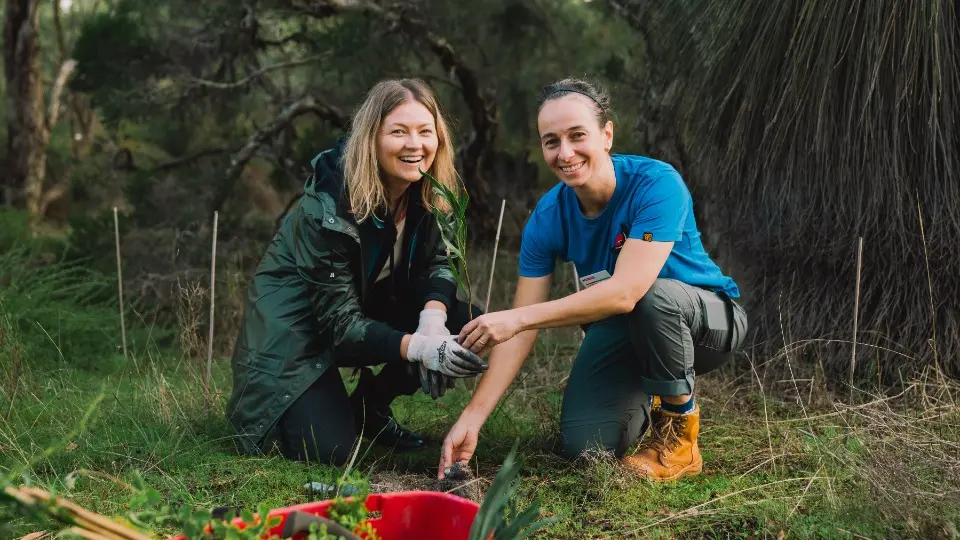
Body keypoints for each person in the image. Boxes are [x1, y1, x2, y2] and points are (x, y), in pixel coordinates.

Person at [438, 78, 747, 482]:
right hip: (627, 331)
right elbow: (520, 331)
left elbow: (625, 293)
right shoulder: (548, 218)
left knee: (653, 298)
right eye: (551, 141)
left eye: (577, 136)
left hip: (707, 322)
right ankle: (649, 396)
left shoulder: (656, 183)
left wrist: (517, 317)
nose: (564, 153)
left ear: (607, 135)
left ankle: (680, 441)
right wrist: (472, 418)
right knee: (584, 448)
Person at [226, 78, 487, 466]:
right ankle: (301, 409)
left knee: (470, 323)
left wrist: (433, 322)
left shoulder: (430, 191)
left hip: (357, 308)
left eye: (424, 131)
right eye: (398, 132)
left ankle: (371, 406)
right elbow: (341, 328)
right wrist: (420, 348)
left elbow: (438, 263)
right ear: (371, 138)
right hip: (294, 334)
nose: (415, 144)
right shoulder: (327, 206)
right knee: (333, 452)